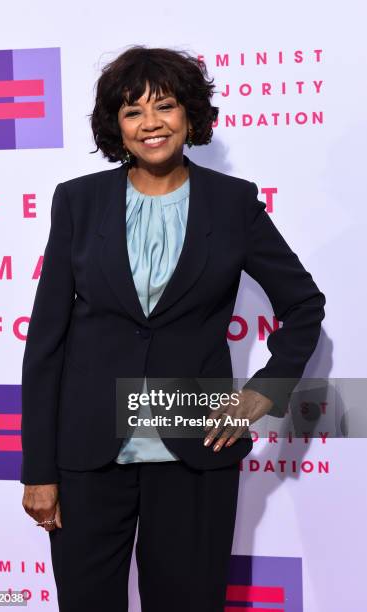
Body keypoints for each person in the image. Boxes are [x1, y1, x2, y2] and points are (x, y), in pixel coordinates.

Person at [20, 46, 326, 612]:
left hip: (196, 449)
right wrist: (37, 469)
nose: (150, 123)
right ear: (116, 125)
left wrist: (267, 388)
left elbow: (303, 305)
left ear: (190, 115)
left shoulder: (232, 204)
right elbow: (45, 344)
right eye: (133, 111)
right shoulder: (78, 202)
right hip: (88, 457)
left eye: (164, 106)